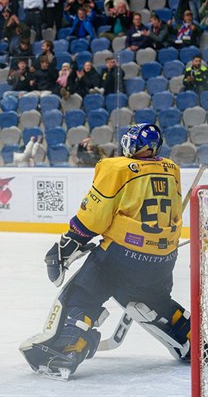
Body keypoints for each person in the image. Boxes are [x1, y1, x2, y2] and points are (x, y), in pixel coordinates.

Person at [20, 123, 189, 380]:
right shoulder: (171, 170)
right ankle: (192, 338)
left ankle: (66, 349)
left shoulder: (117, 168)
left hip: (121, 257)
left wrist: (70, 242)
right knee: (155, 299)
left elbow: (93, 217)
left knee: (82, 294)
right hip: (163, 259)